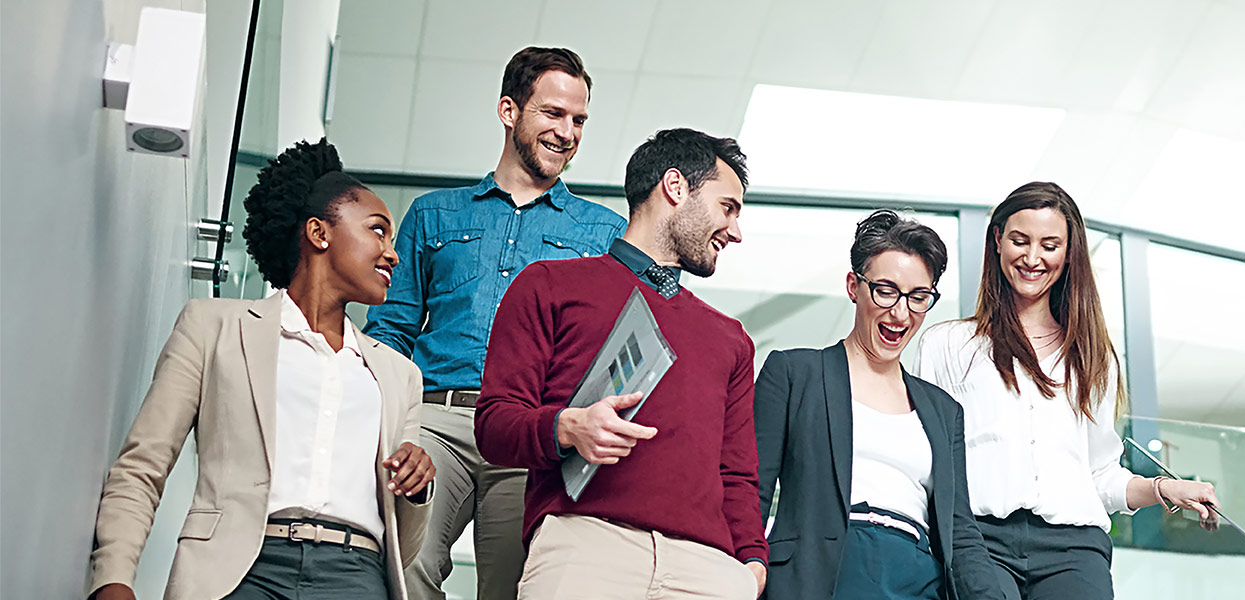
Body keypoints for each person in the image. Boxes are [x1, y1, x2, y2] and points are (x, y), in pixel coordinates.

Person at [86, 139, 434, 600]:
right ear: (319, 233)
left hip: (356, 575)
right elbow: (142, 465)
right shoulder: (212, 328)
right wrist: (112, 580)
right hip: (238, 570)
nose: (392, 254)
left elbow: (403, 547)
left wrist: (416, 490)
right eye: (378, 231)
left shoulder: (398, 374)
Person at [362, 46, 626, 600]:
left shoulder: (603, 232)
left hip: (532, 432)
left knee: (516, 589)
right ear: (509, 111)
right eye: (552, 113)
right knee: (401, 567)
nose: (568, 131)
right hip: (437, 420)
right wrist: (388, 422)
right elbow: (391, 330)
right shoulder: (435, 214)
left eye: (579, 120)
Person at [474, 128, 768, 599]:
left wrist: (752, 561)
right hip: (585, 547)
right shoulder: (548, 286)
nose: (735, 231)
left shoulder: (730, 339)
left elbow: (736, 473)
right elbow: (493, 425)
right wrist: (568, 428)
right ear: (675, 187)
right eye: (727, 207)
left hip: (708, 570)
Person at [915, 182, 1221, 600]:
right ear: (997, 241)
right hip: (980, 543)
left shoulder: (1094, 358)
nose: (1032, 257)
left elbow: (1100, 475)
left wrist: (1161, 489)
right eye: (1020, 241)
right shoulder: (947, 346)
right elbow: (929, 464)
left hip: (1074, 550)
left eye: (1050, 244)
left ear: (1069, 252)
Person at [754, 210, 1009, 600]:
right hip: (821, 575)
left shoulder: (943, 410)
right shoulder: (794, 373)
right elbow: (750, 491)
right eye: (885, 290)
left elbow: (960, 530)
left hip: (915, 575)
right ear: (854, 286)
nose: (901, 312)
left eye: (918, 297)